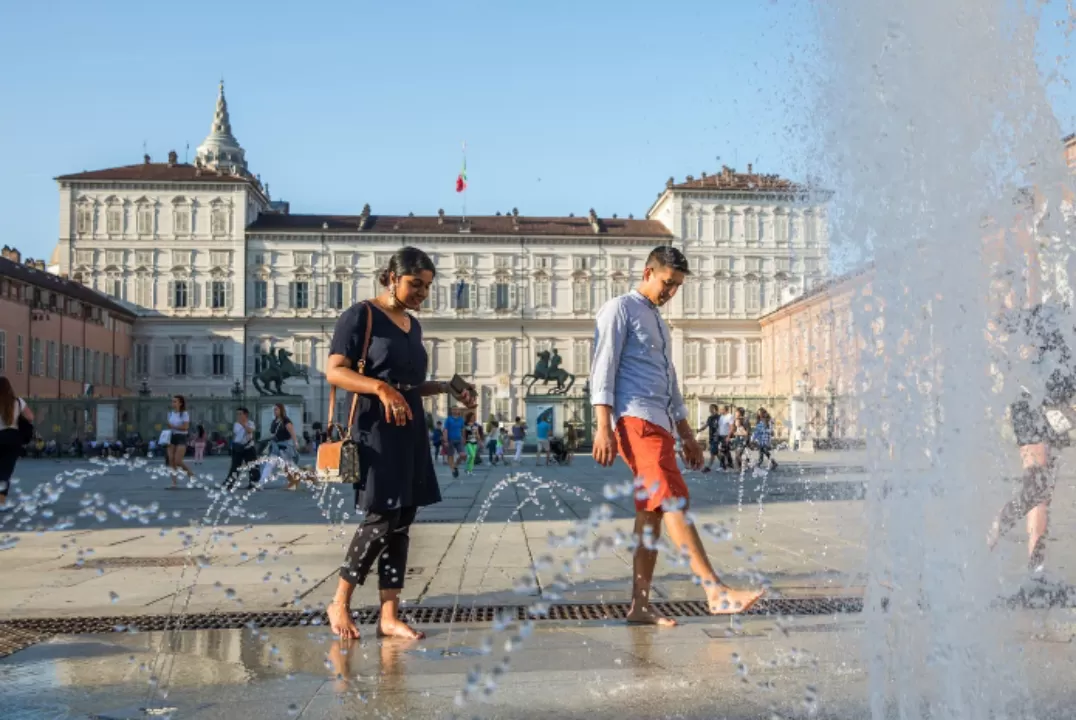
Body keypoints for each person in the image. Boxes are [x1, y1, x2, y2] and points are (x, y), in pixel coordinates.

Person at [590, 245, 764, 626]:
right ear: (647, 272)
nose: (670, 292)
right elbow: (601, 369)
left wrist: (686, 433)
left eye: (677, 287)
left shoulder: (657, 321)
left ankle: (639, 605)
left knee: (650, 514)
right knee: (671, 500)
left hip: (660, 424)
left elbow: (670, 382)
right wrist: (602, 427)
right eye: (667, 283)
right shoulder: (619, 308)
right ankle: (715, 592)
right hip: (634, 421)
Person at [324, 246, 476, 641]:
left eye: (427, 287)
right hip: (375, 427)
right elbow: (335, 372)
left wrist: (446, 388)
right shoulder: (361, 315)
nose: (421, 293)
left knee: (403, 520)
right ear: (392, 277)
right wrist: (379, 388)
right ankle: (340, 600)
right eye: (415, 284)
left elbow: (408, 384)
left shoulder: (413, 325)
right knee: (381, 517)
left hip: (409, 427)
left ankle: (389, 615)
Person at [0, 377, 32, 511]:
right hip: (13, 438)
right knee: (5, 473)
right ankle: (1, 502)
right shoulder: (18, 402)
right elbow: (30, 417)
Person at [261, 404, 299, 489]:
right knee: (270, 464)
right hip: (275, 447)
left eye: (277, 410)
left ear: (281, 410)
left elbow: (292, 432)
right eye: (274, 410)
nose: (275, 411)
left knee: (289, 466)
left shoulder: (285, 420)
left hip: (284, 446)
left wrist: (295, 443)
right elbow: (273, 433)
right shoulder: (274, 421)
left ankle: (296, 480)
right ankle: (261, 483)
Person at [223, 407, 258, 491]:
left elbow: (250, 431)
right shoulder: (236, 424)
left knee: (252, 465)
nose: (238, 416)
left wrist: (243, 424)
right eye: (237, 414)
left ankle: (254, 482)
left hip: (248, 447)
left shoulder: (250, 423)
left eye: (240, 414)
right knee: (235, 466)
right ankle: (230, 482)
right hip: (238, 447)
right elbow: (236, 435)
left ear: (245, 414)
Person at [166, 395, 193, 488]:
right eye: (172, 401)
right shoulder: (170, 413)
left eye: (175, 401)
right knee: (171, 461)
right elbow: (169, 425)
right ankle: (174, 483)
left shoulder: (184, 414)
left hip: (181, 437)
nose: (173, 403)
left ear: (180, 403)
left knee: (178, 461)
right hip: (171, 437)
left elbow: (185, 427)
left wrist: (173, 427)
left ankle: (190, 473)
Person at [698, 404, 724, 473]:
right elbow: (706, 425)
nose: (709, 410)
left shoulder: (719, 417)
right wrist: (700, 429)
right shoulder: (710, 418)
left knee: (713, 452)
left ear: (714, 409)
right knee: (716, 452)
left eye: (711, 408)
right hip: (711, 436)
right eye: (709, 408)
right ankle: (724, 464)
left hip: (717, 437)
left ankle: (708, 467)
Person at [444, 407, 465, 478]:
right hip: (450, 440)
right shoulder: (448, 419)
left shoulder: (461, 419)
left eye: (456, 409)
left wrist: (463, 438)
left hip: (459, 440)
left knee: (463, 455)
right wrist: (445, 440)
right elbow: (445, 430)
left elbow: (462, 429)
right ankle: (453, 470)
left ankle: (455, 465)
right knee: (451, 455)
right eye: (453, 409)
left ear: (459, 410)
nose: (455, 410)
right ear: (451, 411)